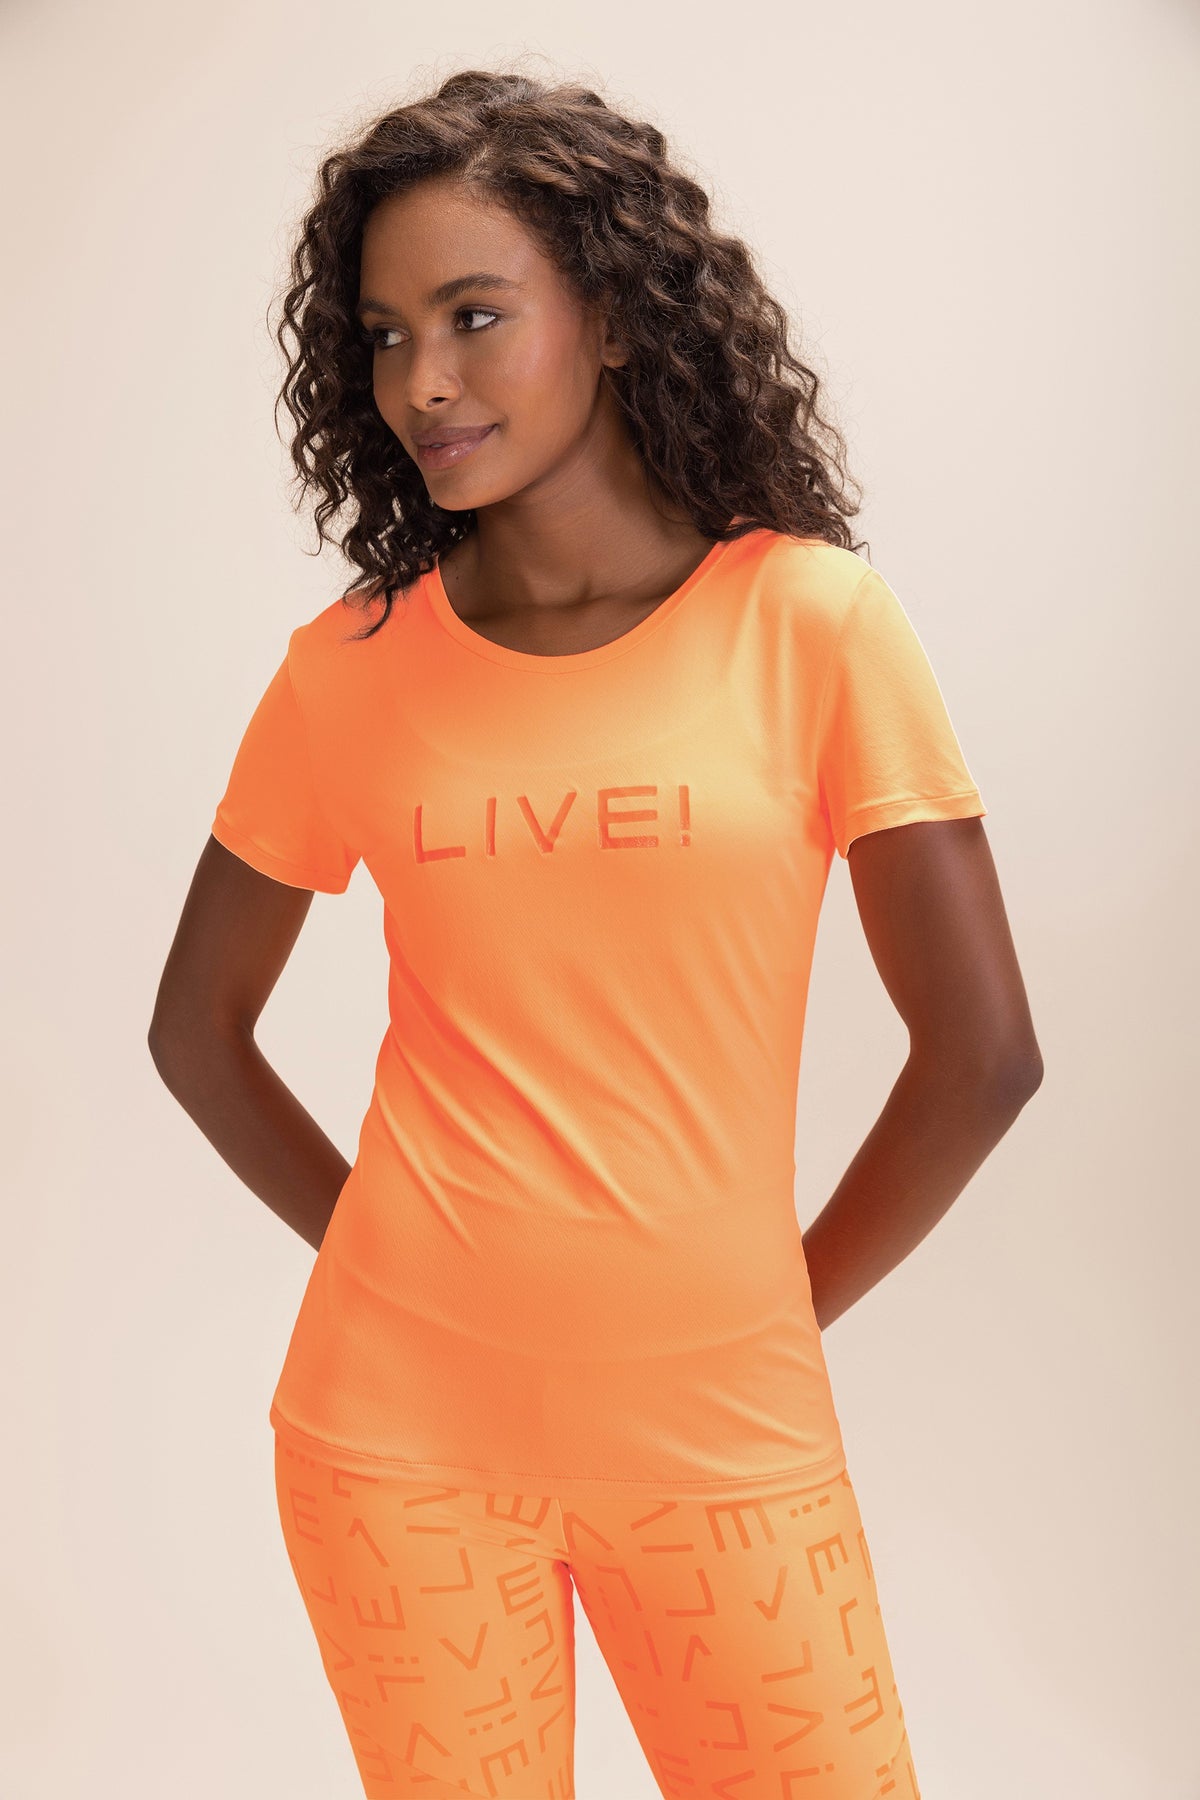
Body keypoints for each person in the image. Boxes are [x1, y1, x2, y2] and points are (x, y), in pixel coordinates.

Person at [149, 67, 1043, 1800]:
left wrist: (767, 1310)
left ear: (619, 318)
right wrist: (399, 1267)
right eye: (387, 335)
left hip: (723, 1440)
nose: (423, 379)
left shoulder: (813, 625)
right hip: (393, 1447)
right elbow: (197, 1030)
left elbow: (986, 1053)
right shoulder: (350, 670)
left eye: (475, 316)